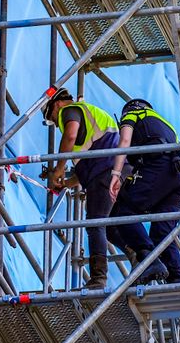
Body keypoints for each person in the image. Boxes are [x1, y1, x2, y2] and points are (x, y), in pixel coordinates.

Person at [43, 88, 122, 290]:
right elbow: (87, 163)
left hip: (104, 173)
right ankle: (143, 259)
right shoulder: (91, 116)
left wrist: (58, 169)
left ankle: (98, 279)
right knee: (112, 227)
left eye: (51, 116)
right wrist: (67, 183)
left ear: (57, 104)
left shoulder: (70, 111)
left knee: (95, 223)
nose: (56, 122)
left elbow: (69, 136)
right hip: (115, 171)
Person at [106, 98, 180, 283]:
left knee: (123, 212)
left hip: (158, 167)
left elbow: (125, 140)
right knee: (162, 231)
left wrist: (116, 173)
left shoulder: (133, 113)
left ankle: (149, 261)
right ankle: (177, 278)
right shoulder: (166, 124)